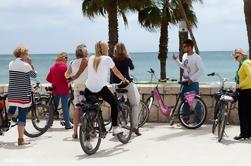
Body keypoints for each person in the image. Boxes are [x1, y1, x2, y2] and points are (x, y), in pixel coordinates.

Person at [84, 40, 129, 136]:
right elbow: (116, 72)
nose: (108, 48)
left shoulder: (91, 58)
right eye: (107, 47)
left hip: (88, 88)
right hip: (101, 88)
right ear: (104, 48)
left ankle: (93, 130)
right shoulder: (107, 59)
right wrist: (124, 79)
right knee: (114, 103)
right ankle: (115, 128)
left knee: (93, 107)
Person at [8, 45, 37, 145]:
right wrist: (30, 64)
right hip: (23, 94)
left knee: (12, 109)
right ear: (23, 54)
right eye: (27, 54)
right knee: (22, 115)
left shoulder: (11, 63)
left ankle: (5, 123)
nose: (28, 55)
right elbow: (34, 75)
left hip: (12, 93)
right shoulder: (26, 65)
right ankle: (21, 139)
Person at [112, 42, 141, 136]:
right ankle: (135, 127)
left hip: (117, 85)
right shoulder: (127, 59)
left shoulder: (113, 60)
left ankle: (117, 126)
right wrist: (129, 58)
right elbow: (132, 68)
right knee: (134, 104)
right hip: (127, 84)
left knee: (118, 105)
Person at [172, 39, 204, 124]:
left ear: (190, 47)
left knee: (196, 102)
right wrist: (176, 60)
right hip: (184, 82)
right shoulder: (185, 55)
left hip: (193, 83)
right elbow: (183, 66)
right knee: (184, 102)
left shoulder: (197, 57)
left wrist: (192, 79)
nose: (183, 48)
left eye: (184, 46)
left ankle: (197, 121)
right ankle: (185, 120)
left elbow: (201, 70)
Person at [65, 44, 88, 139]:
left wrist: (73, 76)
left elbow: (66, 75)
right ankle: (89, 131)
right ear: (84, 53)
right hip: (86, 87)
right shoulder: (86, 60)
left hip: (76, 87)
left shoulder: (72, 62)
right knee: (89, 108)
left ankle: (75, 132)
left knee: (77, 109)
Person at [46, 52, 72, 129]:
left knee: (53, 107)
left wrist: (55, 82)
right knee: (65, 107)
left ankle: (49, 123)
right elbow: (68, 78)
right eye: (66, 58)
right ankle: (67, 125)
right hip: (64, 89)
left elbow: (48, 79)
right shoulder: (65, 67)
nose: (67, 60)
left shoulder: (53, 67)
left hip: (55, 89)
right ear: (63, 58)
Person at [232, 48, 251, 140]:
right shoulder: (245, 62)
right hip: (247, 90)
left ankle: (244, 133)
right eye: (234, 57)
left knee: (243, 113)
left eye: (237, 56)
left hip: (246, 91)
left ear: (242, 54)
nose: (235, 58)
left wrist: (240, 85)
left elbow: (250, 75)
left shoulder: (245, 63)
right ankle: (247, 133)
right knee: (247, 113)